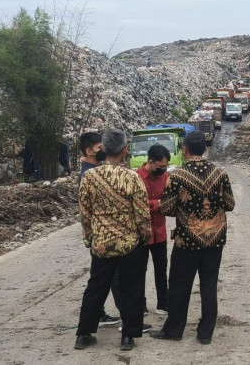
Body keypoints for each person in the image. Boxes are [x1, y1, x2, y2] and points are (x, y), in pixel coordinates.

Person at [150, 131, 234, 345]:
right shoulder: (220, 173)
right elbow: (230, 205)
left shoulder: (177, 176)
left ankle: (174, 330)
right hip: (215, 240)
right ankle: (205, 333)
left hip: (187, 240)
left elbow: (167, 208)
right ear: (204, 148)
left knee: (179, 285)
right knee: (209, 285)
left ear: (184, 149)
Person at [74, 129, 151, 352]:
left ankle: (83, 334)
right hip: (129, 245)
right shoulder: (132, 178)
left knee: (96, 288)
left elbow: (85, 213)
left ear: (104, 150)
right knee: (131, 289)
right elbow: (142, 214)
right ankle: (128, 336)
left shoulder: (89, 177)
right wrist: (143, 238)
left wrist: (90, 238)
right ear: (125, 150)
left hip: (101, 245)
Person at [76, 132, 119, 328]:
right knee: (103, 280)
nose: (103, 152)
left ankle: (97, 315)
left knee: (101, 279)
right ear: (88, 151)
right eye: (99, 149)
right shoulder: (88, 174)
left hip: (99, 235)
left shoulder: (91, 171)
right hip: (102, 235)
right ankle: (93, 320)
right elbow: (87, 210)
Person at [136, 144, 171, 315]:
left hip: (160, 232)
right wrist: (158, 204)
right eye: (160, 166)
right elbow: (138, 205)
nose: (163, 169)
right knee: (139, 270)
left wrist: (156, 204)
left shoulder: (165, 177)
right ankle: (140, 305)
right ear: (150, 162)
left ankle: (163, 303)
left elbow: (170, 200)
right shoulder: (136, 178)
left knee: (161, 267)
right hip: (142, 233)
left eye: (165, 166)